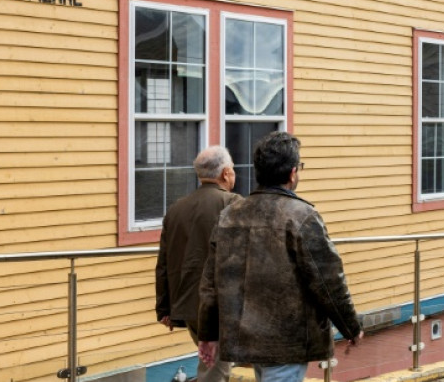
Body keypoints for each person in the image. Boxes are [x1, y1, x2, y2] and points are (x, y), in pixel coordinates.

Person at [197, 131, 363, 382]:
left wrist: (208, 334)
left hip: (244, 337)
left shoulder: (230, 215)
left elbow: (209, 284)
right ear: (292, 172)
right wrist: (351, 326)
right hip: (288, 341)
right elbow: (328, 281)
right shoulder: (301, 216)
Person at [155, 146, 242, 382]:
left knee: (213, 363)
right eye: (232, 169)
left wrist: (164, 307)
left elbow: (163, 261)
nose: (234, 174)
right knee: (215, 370)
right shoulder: (232, 203)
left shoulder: (176, 209)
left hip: (187, 304)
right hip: (222, 304)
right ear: (225, 173)